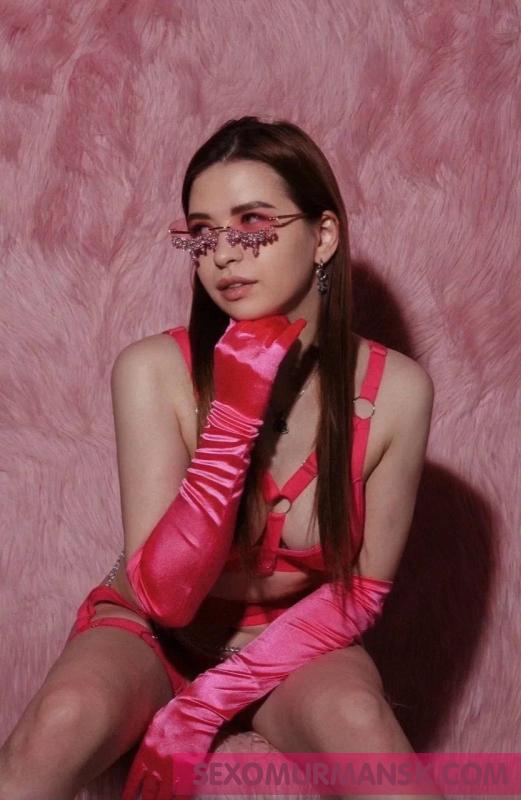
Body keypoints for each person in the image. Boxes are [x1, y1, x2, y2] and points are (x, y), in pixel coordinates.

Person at [0, 116, 436, 800]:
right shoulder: (153, 370)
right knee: (61, 720)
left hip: (295, 645)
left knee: (360, 721)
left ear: (323, 235)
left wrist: (206, 704)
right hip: (152, 634)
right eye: (202, 233)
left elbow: (360, 592)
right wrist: (231, 421)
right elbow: (164, 598)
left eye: (252, 223)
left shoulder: (398, 392)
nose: (223, 254)